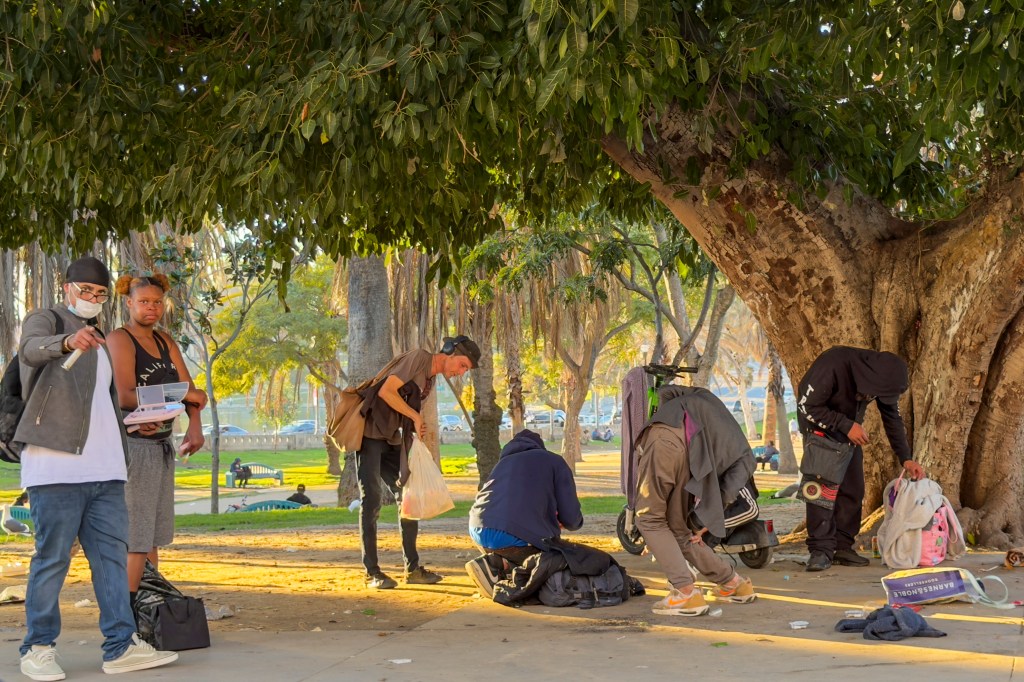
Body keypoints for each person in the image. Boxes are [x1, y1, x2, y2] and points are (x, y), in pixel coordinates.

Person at [14, 256, 178, 680]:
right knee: (52, 561)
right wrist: (67, 343)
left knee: (110, 560)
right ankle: (38, 648)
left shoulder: (102, 338)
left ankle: (120, 646)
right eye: (85, 290)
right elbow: (30, 351)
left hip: (106, 469)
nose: (92, 298)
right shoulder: (45, 319)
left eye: (100, 293)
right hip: (55, 469)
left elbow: (105, 405)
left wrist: (141, 424)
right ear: (67, 287)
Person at [107, 273, 207, 609]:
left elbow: (192, 391)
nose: (151, 308)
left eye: (157, 302)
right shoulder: (121, 339)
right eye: (144, 302)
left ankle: (149, 607)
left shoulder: (166, 342)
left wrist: (195, 425)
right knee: (136, 537)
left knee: (153, 536)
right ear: (129, 303)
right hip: (134, 446)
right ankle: (125, 618)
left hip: (162, 444)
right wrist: (183, 395)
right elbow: (125, 396)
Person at [356, 335, 480, 589]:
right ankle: (372, 572)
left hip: (391, 437)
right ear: (450, 352)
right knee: (372, 499)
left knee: (408, 495)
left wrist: (414, 429)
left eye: (465, 370)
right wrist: (414, 415)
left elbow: (405, 408)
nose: (461, 372)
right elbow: (386, 391)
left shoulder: (430, 380)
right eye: (463, 365)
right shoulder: (418, 358)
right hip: (369, 434)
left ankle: (412, 568)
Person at [796, 346, 926, 572]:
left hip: (848, 432)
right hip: (821, 429)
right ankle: (820, 550)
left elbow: (892, 418)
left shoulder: (880, 378)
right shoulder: (834, 364)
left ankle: (842, 547)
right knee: (821, 491)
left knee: (853, 489)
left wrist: (905, 458)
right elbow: (807, 406)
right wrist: (846, 425)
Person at [634, 385, 757, 617]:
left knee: (649, 518)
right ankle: (734, 583)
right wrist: (708, 520)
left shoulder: (706, 401)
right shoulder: (741, 453)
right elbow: (726, 492)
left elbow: (666, 392)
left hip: (665, 442)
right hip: (688, 456)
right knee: (681, 530)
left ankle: (685, 593)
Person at [465, 429, 584, 594]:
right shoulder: (553, 461)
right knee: (559, 559)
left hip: (477, 529)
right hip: (512, 535)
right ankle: (500, 564)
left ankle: (498, 563)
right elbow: (571, 517)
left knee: (520, 539)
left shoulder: (502, 464)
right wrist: (569, 522)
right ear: (539, 446)